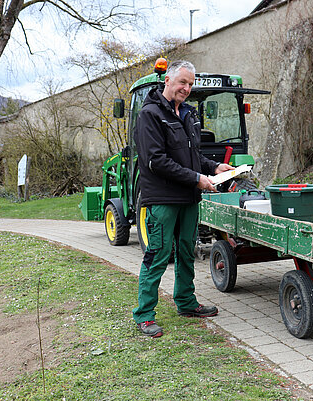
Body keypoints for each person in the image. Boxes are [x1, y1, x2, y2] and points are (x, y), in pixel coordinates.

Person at [132, 60, 234, 338]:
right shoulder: (150, 115)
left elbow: (190, 157)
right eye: (182, 83)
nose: (186, 88)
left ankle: (186, 303)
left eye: (190, 84)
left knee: (186, 251)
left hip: (189, 197)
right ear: (168, 81)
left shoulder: (189, 114)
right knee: (158, 255)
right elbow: (156, 161)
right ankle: (144, 315)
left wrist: (213, 168)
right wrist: (197, 178)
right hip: (163, 199)